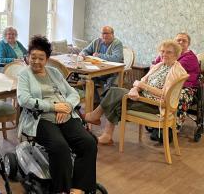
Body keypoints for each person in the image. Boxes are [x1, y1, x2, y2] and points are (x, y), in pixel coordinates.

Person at [18, 35, 97, 194]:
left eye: (41, 58)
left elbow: (72, 93)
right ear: (28, 57)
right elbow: (24, 100)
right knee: (59, 147)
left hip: (66, 115)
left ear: (47, 59)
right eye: (33, 57)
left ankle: (78, 187)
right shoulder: (24, 75)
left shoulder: (54, 72)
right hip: (40, 118)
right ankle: (61, 189)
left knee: (88, 143)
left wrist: (67, 106)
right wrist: (54, 107)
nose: (36, 61)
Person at [84, 40, 188, 145]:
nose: (164, 54)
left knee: (116, 101)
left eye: (168, 52)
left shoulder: (176, 71)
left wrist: (143, 86)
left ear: (176, 54)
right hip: (144, 96)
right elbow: (143, 80)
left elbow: (165, 94)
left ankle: (99, 123)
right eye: (162, 51)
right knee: (114, 91)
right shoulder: (160, 65)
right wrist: (135, 89)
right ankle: (101, 126)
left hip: (156, 105)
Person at [152, 32, 200, 129]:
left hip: (186, 87)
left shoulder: (190, 57)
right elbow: (155, 63)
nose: (181, 42)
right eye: (178, 40)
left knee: (177, 96)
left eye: (184, 41)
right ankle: (158, 123)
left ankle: (172, 128)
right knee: (155, 93)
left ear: (188, 44)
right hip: (166, 83)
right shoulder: (168, 53)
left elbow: (171, 67)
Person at [79, 26, 124, 103]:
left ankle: (105, 103)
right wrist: (82, 54)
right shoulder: (97, 41)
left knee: (111, 81)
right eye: (103, 33)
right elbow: (85, 51)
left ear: (112, 34)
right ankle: (95, 101)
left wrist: (99, 55)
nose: (104, 35)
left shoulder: (117, 43)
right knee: (85, 77)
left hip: (112, 71)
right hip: (97, 70)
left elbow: (117, 58)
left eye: (106, 33)